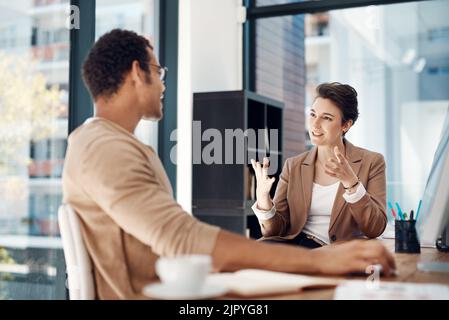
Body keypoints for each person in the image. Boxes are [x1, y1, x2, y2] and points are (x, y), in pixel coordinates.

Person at [62, 29, 395, 299]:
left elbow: (169, 242)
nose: (163, 84)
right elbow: (181, 238)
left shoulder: (118, 145)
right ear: (137, 72)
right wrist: (316, 262)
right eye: (158, 71)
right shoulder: (103, 147)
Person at [251, 82, 387, 249]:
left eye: (327, 118)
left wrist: (351, 183)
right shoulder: (293, 166)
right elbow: (276, 230)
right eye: (313, 114)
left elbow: (375, 228)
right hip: (296, 246)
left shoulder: (372, 162)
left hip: (337, 252)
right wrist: (264, 200)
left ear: (346, 125)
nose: (315, 125)